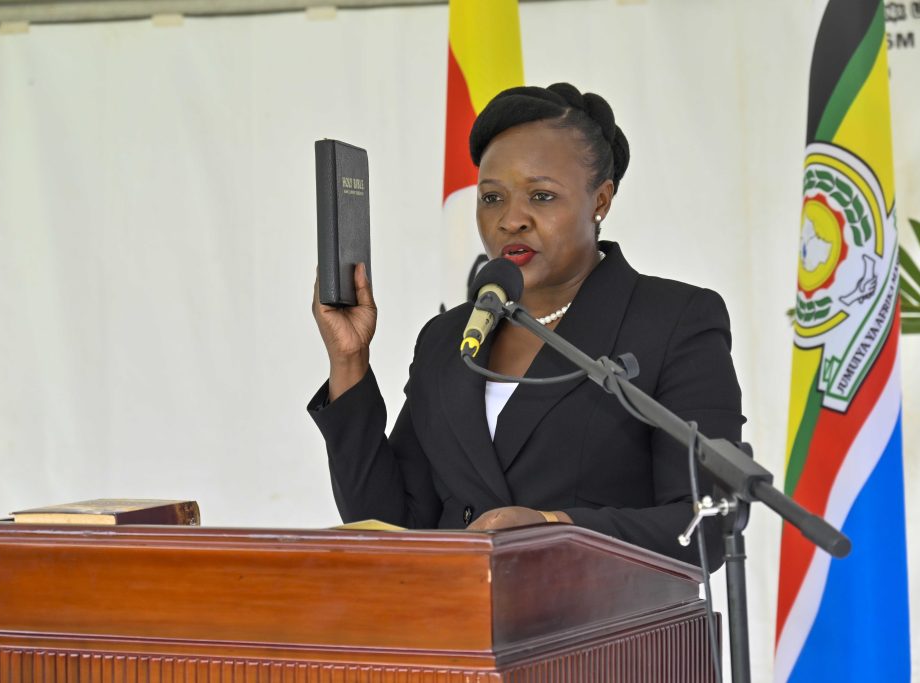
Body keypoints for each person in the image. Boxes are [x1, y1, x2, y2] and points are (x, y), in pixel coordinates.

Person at [309, 83, 743, 569]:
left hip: (602, 634)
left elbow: (703, 523)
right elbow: (389, 527)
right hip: (463, 632)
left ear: (600, 200)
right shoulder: (449, 338)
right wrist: (348, 359)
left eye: (541, 195)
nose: (511, 220)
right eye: (492, 198)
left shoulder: (673, 320)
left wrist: (554, 527)